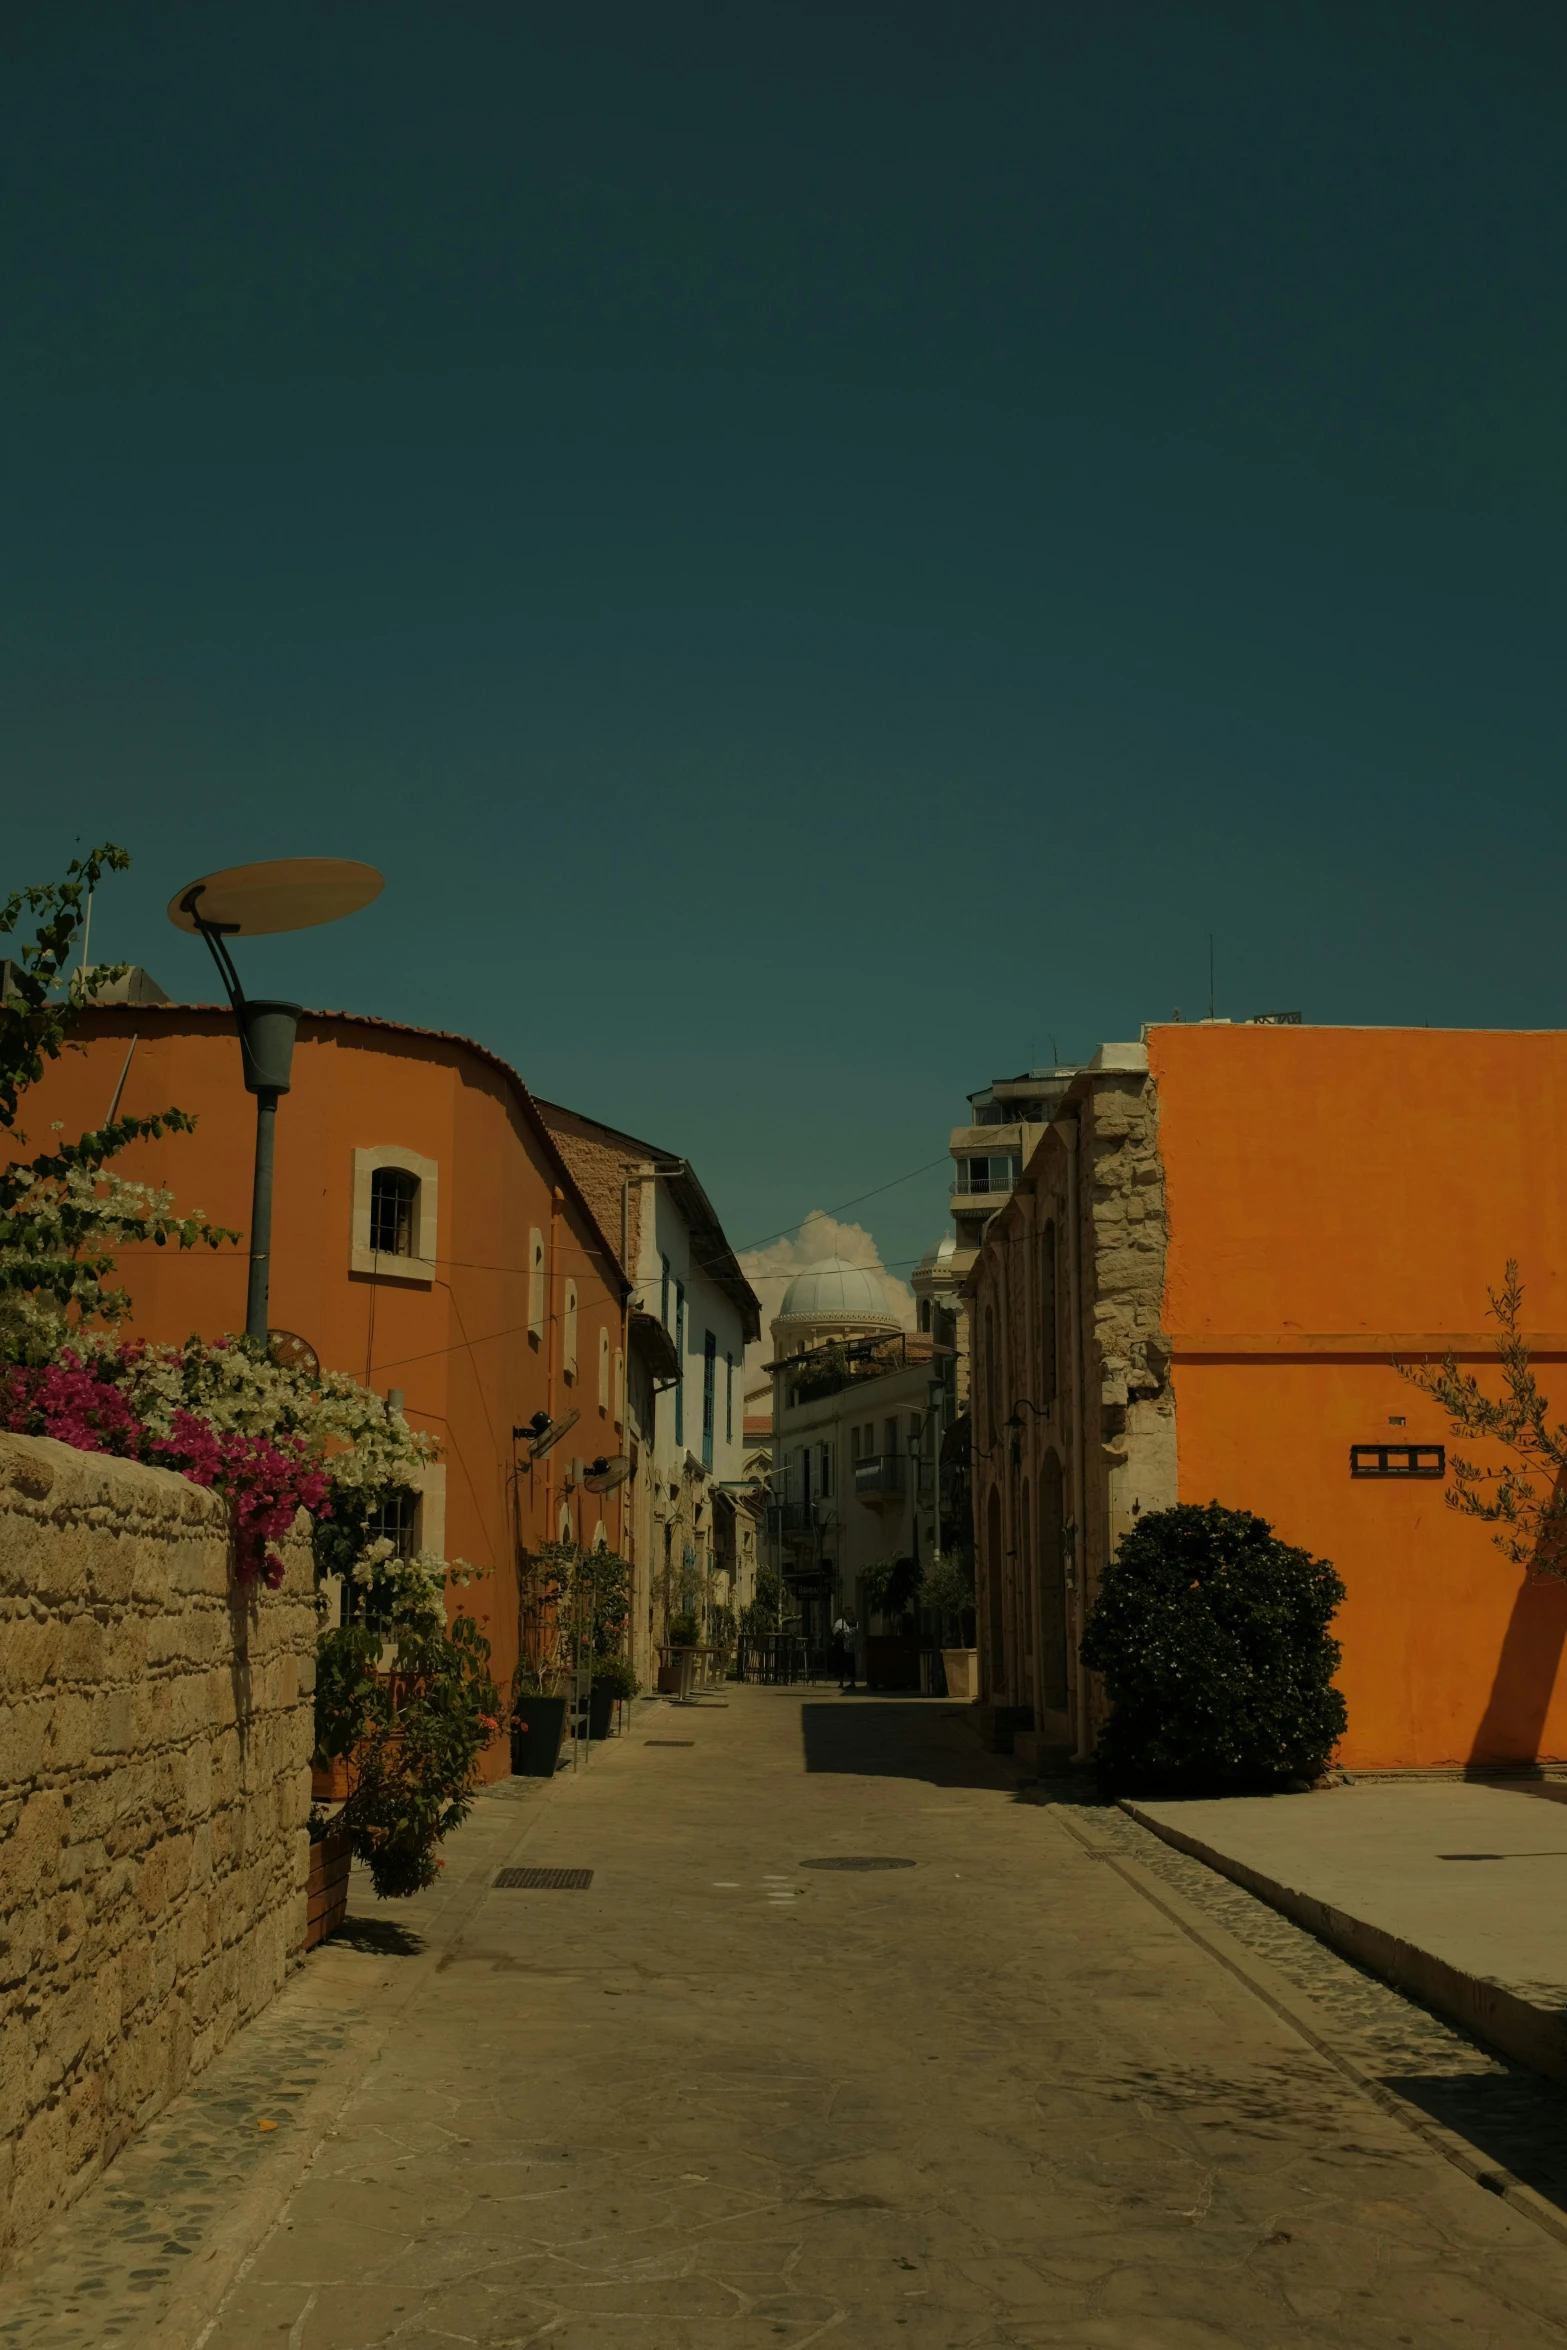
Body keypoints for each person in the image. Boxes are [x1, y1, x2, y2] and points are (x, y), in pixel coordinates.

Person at [833, 1612, 858, 1693]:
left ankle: (847, 1682)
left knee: (844, 1665)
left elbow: (835, 1632)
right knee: (847, 1664)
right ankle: (849, 1682)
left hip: (846, 1647)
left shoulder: (842, 1622)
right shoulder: (843, 1622)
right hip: (848, 1647)